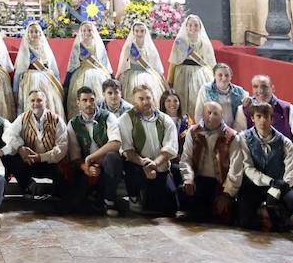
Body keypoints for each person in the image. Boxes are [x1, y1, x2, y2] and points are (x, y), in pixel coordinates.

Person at [224, 101, 293, 231]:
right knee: (244, 222)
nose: (263, 120)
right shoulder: (243, 138)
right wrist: (270, 182)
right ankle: (258, 210)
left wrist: (278, 188)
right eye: (259, 116)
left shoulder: (284, 142)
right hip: (254, 185)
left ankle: (278, 211)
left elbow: (292, 172)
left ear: (271, 118)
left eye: (266, 117)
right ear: (252, 118)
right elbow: (248, 168)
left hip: (279, 186)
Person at [116, 83, 179, 217]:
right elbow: (127, 149)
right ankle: (134, 196)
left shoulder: (165, 120)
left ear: (153, 98)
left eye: (148, 98)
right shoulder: (125, 119)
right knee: (145, 203)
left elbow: (170, 148)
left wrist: (155, 164)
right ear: (134, 101)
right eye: (141, 99)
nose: (145, 102)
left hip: (159, 166)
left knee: (171, 206)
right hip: (137, 166)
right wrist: (144, 163)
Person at [63, 86, 123, 215]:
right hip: (88, 167)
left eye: (92, 100)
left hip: (107, 163)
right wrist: (86, 167)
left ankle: (109, 202)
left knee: (113, 157)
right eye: (84, 100)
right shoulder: (73, 124)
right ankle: (94, 198)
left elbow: (116, 143)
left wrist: (92, 157)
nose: (89, 104)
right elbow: (75, 157)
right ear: (78, 103)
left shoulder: (108, 116)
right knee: (73, 206)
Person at [3, 89, 68, 199]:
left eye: (39, 100)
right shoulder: (23, 117)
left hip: (49, 162)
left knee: (61, 182)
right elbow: (8, 134)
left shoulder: (57, 120)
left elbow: (62, 147)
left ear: (45, 102)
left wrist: (41, 157)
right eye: (32, 101)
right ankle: (30, 187)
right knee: (9, 158)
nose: (35, 103)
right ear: (29, 103)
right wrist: (20, 148)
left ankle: (54, 199)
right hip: (30, 162)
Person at [178, 100, 237, 222]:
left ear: (222, 116)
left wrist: (227, 194)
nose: (211, 116)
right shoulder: (193, 132)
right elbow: (186, 159)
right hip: (199, 180)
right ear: (203, 114)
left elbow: (235, 169)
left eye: (215, 113)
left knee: (220, 215)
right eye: (208, 112)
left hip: (221, 183)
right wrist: (188, 177)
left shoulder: (232, 136)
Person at [14, 22, 65, 123]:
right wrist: (15, 88)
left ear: (40, 33)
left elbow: (52, 66)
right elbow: (20, 70)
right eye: (31, 32)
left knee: (49, 102)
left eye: (36, 32)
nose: (34, 34)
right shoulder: (25, 49)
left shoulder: (45, 48)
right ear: (28, 34)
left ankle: (50, 123)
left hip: (46, 79)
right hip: (30, 79)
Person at [168, 15, 215, 123]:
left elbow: (210, 62)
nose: (193, 27)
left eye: (195, 25)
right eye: (190, 25)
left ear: (200, 27)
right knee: (182, 99)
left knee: (198, 100)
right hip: (182, 73)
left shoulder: (205, 42)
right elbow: (174, 61)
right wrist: (170, 80)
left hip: (200, 73)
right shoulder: (180, 42)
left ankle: (198, 123)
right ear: (186, 26)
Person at [64, 22, 111, 120]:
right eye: (84, 30)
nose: (87, 32)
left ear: (93, 31)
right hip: (81, 74)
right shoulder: (78, 46)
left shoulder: (98, 45)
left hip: (97, 73)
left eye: (89, 30)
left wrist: (111, 75)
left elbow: (104, 62)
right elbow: (73, 63)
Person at [116, 21, 165, 106]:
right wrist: (119, 74)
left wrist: (160, 75)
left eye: (142, 31)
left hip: (148, 74)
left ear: (145, 32)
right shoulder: (129, 46)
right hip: (132, 75)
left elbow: (156, 62)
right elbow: (123, 62)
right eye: (137, 31)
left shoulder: (149, 46)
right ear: (133, 32)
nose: (139, 33)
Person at [243, 74, 293, 140]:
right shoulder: (245, 109)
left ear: (272, 89)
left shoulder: (287, 109)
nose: (260, 91)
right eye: (255, 87)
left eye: (264, 86)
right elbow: (240, 137)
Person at [198, 63, 249, 131]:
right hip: (211, 130)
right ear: (214, 76)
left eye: (227, 75)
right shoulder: (205, 90)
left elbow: (243, 114)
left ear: (231, 76)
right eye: (220, 75)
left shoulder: (240, 92)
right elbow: (199, 113)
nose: (224, 78)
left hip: (234, 130)